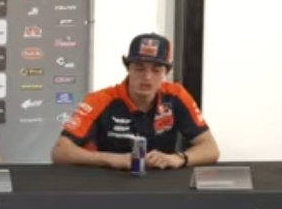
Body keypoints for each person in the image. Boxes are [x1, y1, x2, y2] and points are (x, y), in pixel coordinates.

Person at [52, 33, 219, 169]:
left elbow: (210, 148)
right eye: (139, 68)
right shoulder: (99, 100)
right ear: (128, 68)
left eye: (156, 70)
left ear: (166, 72)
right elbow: (60, 152)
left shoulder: (177, 95)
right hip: (107, 183)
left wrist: (177, 158)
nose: (147, 77)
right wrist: (111, 159)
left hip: (160, 183)